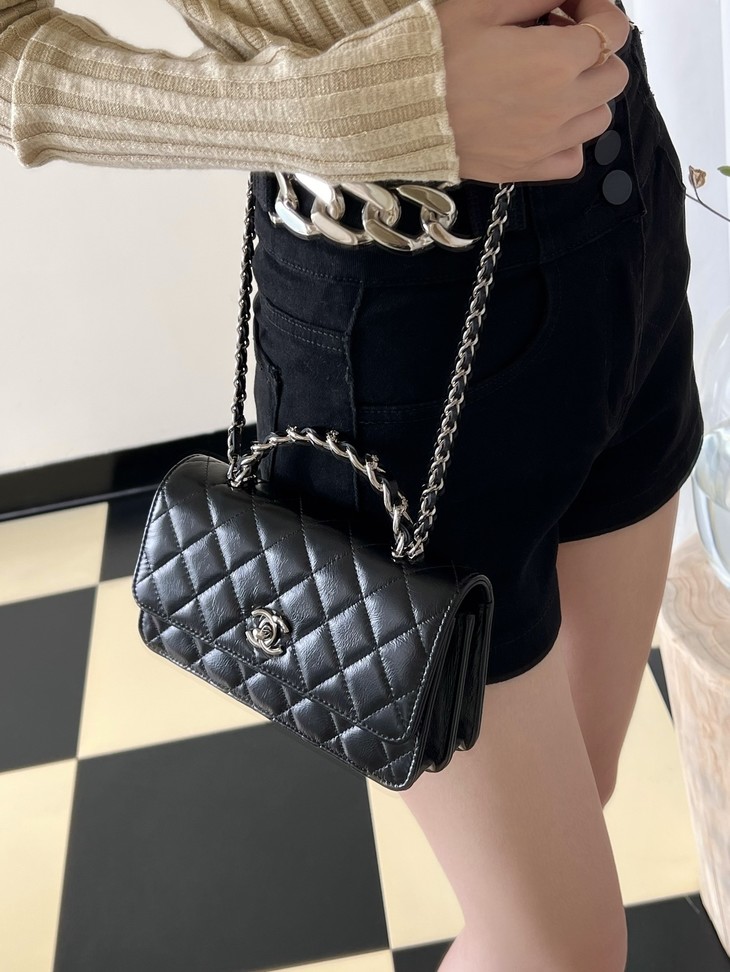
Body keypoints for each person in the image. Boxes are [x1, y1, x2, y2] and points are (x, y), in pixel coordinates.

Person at [3, 1, 704, 969]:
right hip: (395, 301)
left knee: (582, 792)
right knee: (559, 941)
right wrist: (358, 108)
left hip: (621, 203)